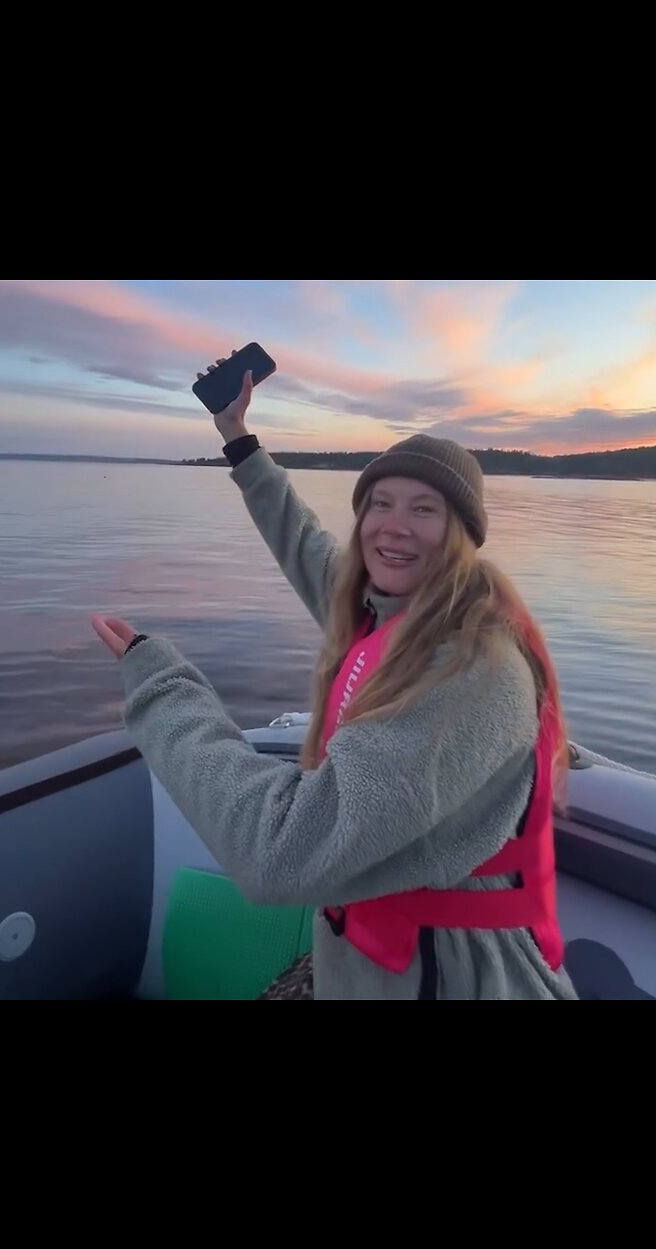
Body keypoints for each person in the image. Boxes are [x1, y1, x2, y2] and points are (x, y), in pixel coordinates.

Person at [92, 355, 578, 1000]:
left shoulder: (471, 670)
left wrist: (162, 690)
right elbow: (305, 542)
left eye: (424, 509)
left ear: (463, 532)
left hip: (451, 975)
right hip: (373, 961)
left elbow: (281, 851)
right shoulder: (387, 609)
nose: (393, 525)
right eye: (380, 503)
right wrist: (238, 440)